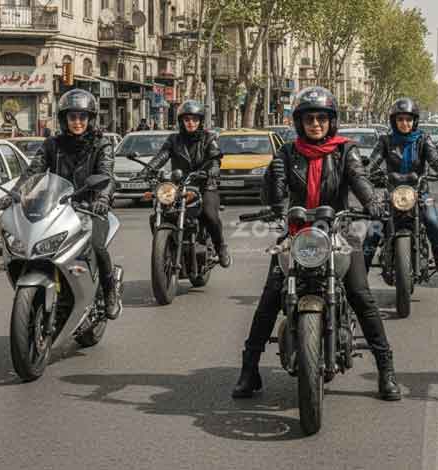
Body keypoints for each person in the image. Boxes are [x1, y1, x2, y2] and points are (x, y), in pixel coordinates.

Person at [232, 86, 401, 401]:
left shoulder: (345, 151)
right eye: (309, 118)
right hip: (297, 233)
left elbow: (359, 179)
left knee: (361, 295)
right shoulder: (287, 153)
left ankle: (385, 369)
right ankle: (249, 370)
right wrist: (273, 189)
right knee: (270, 297)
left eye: (321, 118)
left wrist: (373, 203)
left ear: (331, 121)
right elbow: (275, 194)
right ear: (299, 122)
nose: (315, 124)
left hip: (338, 231)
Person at [10, 89, 120, 319]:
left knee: (98, 247)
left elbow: (107, 176)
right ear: (64, 119)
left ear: (90, 119)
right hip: (57, 209)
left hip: (90, 208)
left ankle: (110, 292)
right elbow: (33, 171)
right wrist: (15, 193)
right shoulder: (53, 144)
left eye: (82, 117)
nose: (77, 122)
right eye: (72, 117)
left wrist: (102, 198)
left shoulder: (101, 144)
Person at [363, 97, 438, 275]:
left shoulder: (423, 139)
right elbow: (374, 160)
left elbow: (433, 158)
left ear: (415, 121)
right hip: (392, 195)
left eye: (408, 119)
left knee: (432, 220)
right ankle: (361, 270)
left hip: (420, 193)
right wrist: (365, 172)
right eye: (400, 119)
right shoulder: (385, 140)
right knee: (374, 228)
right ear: (394, 121)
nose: (404, 123)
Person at [143, 100, 231, 268]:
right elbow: (162, 156)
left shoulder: (209, 138)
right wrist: (147, 170)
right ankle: (165, 248)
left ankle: (221, 247)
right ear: (181, 121)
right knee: (160, 212)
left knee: (209, 214)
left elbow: (215, 159)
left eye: (195, 119)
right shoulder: (173, 139)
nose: (191, 123)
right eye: (187, 119)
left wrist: (212, 170)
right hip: (179, 185)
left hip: (205, 185)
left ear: (200, 121)